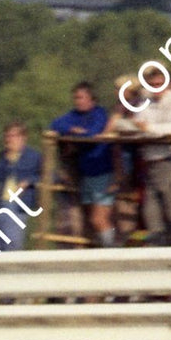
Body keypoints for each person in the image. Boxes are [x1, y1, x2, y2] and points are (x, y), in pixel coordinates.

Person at [50, 82, 115, 247]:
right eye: (76, 98)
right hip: (87, 174)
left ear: (91, 99)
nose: (78, 101)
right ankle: (101, 250)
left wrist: (82, 135)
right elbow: (56, 124)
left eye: (81, 97)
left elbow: (94, 134)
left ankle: (113, 249)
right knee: (90, 219)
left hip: (102, 171)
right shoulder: (74, 116)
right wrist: (72, 130)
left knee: (99, 218)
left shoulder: (99, 114)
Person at [132, 83, 171, 247]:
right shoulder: (145, 101)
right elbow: (136, 123)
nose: (155, 87)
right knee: (151, 212)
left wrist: (149, 128)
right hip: (152, 161)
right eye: (152, 84)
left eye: (159, 83)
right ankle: (157, 253)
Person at [0, 121, 43, 250]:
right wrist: (8, 161)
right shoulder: (5, 157)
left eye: (13, 136)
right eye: (7, 136)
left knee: (11, 245)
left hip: (17, 206)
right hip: (0, 205)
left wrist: (29, 181)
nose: (9, 140)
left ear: (23, 138)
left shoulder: (34, 156)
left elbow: (49, 176)